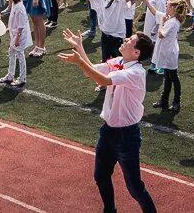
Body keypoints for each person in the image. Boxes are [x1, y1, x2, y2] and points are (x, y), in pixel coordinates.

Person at [58, 28, 157, 213]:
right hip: (108, 132)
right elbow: (93, 72)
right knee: (101, 176)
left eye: (130, 40)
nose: (126, 40)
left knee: (135, 188)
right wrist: (80, 47)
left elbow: (103, 81)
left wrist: (80, 62)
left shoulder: (136, 73)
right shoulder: (119, 61)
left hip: (127, 137)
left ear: (136, 53)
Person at [0, 0, 31, 87]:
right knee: (12, 53)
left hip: (19, 36)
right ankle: (10, 75)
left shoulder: (20, 8)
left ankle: (22, 78)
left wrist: (17, 38)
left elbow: (21, 26)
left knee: (20, 55)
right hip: (15, 34)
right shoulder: (15, 4)